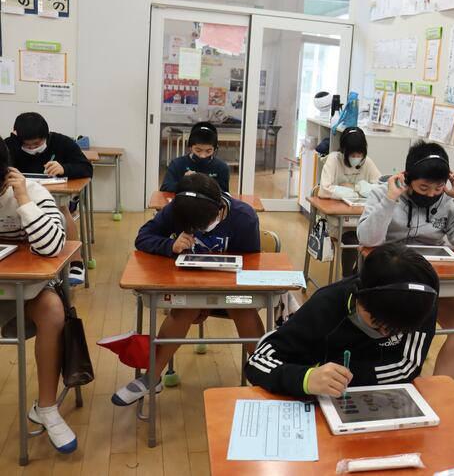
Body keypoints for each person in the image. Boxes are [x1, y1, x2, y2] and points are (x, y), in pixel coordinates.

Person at [112, 173, 262, 406]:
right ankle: (152, 377)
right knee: (182, 309)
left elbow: (251, 266)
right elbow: (143, 237)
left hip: (232, 291)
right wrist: (170, 245)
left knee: (243, 307)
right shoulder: (179, 208)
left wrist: (211, 301)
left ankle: (265, 375)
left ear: (220, 208)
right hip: (190, 290)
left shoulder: (244, 217)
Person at [245, 243, 438, 396]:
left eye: (396, 330)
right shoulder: (325, 306)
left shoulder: (419, 304)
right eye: (377, 323)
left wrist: (350, 376)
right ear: (358, 295)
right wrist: (307, 378)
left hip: (377, 400)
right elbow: (257, 362)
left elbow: (408, 366)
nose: (385, 334)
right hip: (316, 400)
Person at [357, 141, 454, 378]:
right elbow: (367, 239)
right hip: (389, 275)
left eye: (438, 188)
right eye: (424, 188)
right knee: (388, 322)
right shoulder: (383, 193)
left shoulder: (448, 202)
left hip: (431, 278)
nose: (431, 194)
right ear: (407, 178)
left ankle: (439, 386)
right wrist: (390, 200)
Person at [0, 140, 76, 453]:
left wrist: (23, 200)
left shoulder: (33, 192)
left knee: (53, 309)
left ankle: (46, 407)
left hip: (26, 291)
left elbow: (52, 247)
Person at [5, 112, 93, 286]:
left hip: (53, 195)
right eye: (27, 145)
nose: (32, 148)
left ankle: (76, 261)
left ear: (46, 136)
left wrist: (64, 168)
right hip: (19, 196)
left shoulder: (62, 142)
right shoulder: (10, 145)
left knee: (62, 210)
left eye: (37, 144)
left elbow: (86, 168)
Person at [319, 126, 381, 276]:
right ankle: (347, 277)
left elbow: (380, 187)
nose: (357, 157)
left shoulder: (367, 162)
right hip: (337, 221)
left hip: (362, 219)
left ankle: (359, 275)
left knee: (374, 242)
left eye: (360, 154)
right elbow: (324, 190)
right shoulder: (334, 160)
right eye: (352, 154)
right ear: (344, 151)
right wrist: (359, 189)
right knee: (352, 241)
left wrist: (354, 187)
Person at [160, 122, 230, 192]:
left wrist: (205, 184)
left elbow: (224, 193)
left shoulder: (222, 167)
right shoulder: (177, 164)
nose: (203, 155)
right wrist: (184, 182)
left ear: (215, 149)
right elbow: (165, 188)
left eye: (208, 151)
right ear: (190, 147)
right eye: (198, 150)